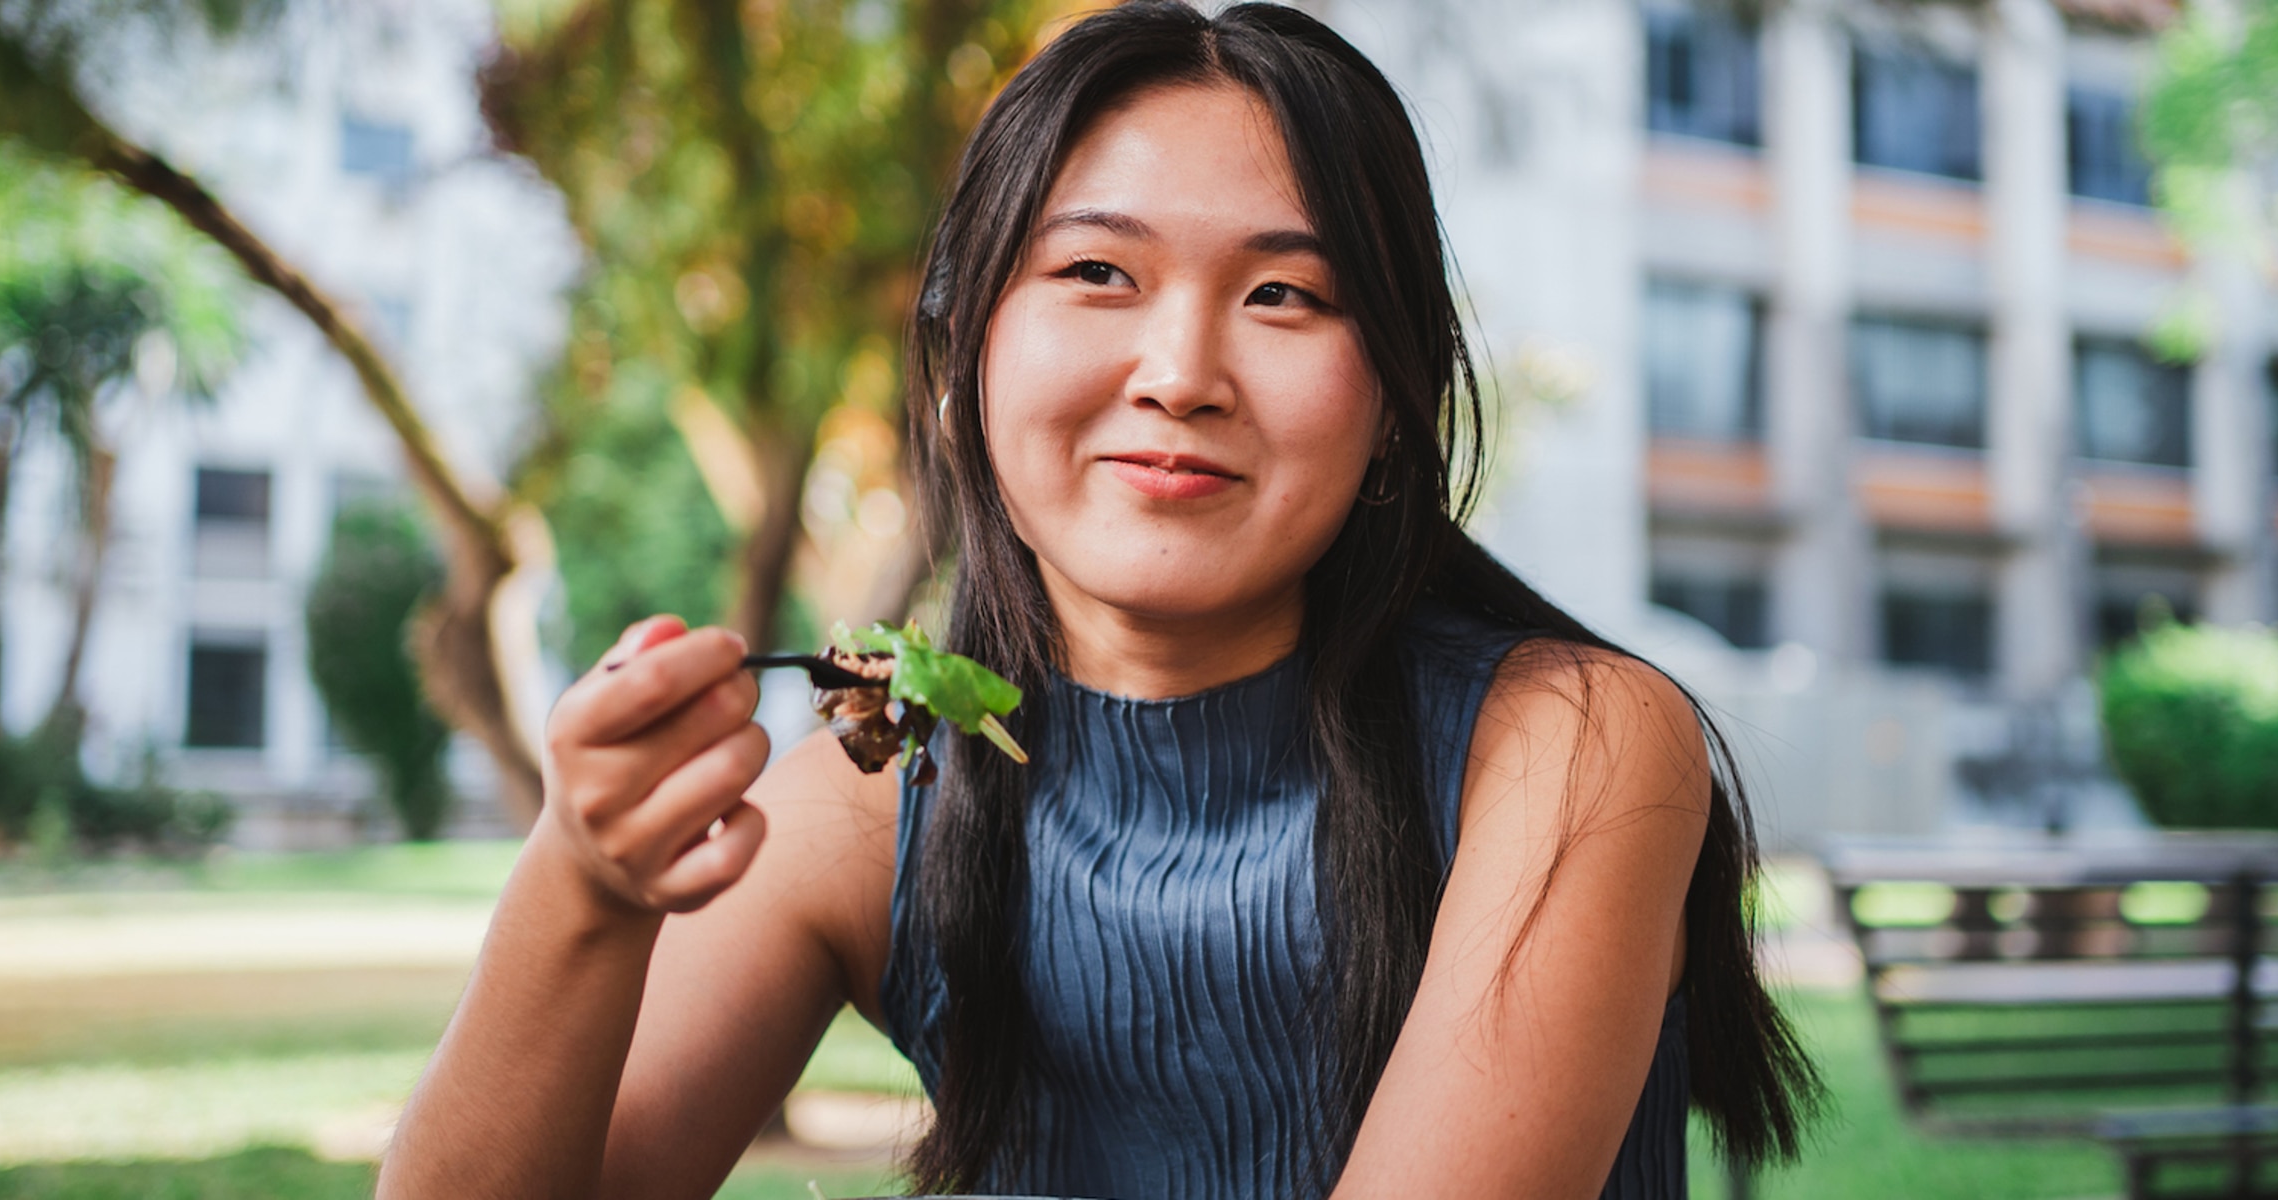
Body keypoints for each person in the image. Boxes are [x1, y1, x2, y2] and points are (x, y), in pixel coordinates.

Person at [379, 3, 1815, 1197]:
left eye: (1283, 298)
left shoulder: (1571, 742)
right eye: (1095, 273)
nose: (1179, 371)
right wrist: (582, 884)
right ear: (963, 358)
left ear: (1393, 400)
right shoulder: (868, 813)